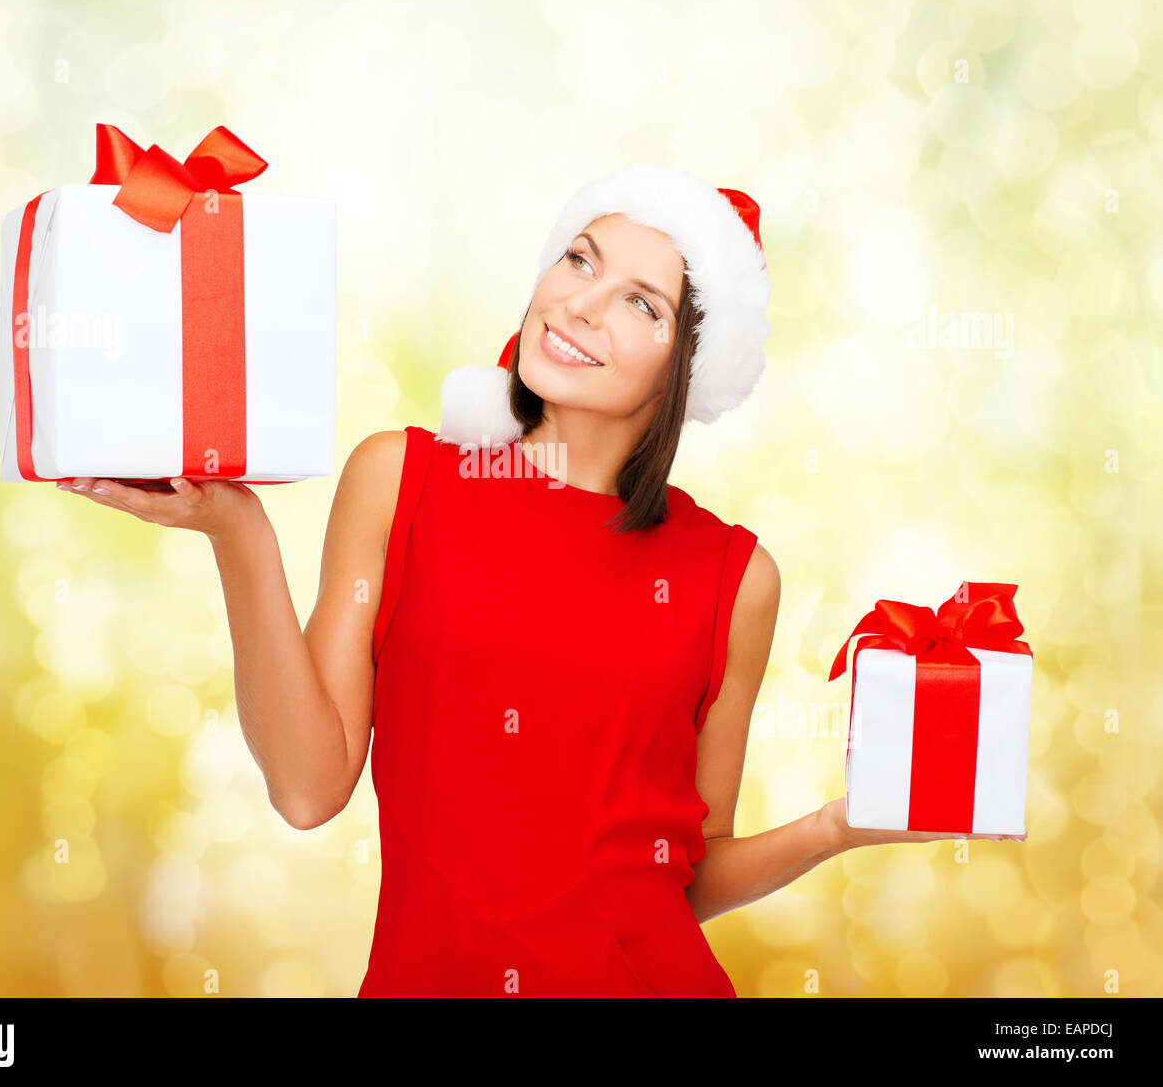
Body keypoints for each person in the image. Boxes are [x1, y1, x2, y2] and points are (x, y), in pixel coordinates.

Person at [57, 165, 1025, 998]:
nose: (581, 306)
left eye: (640, 303)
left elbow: (678, 879)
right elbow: (309, 788)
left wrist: (837, 827)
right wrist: (240, 534)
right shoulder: (401, 479)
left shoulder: (734, 577)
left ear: (683, 367)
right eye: (580, 260)